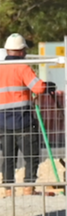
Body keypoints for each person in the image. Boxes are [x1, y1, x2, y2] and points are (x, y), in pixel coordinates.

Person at [0, 34, 50, 186]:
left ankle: (7, 190)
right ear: (21, 51)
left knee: (8, 158)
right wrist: (48, 85)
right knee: (31, 156)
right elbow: (38, 87)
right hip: (23, 121)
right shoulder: (23, 67)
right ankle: (29, 188)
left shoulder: (0, 68)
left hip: (3, 123)